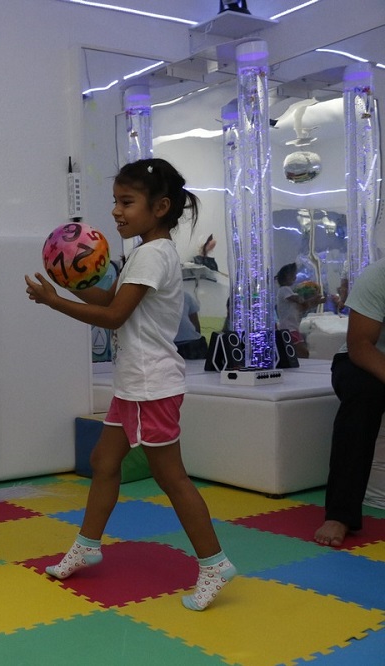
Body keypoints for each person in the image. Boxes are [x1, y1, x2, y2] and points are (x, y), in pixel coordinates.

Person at [24, 158, 235, 611]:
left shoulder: (153, 255)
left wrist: (55, 301)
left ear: (159, 207)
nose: (116, 211)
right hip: (134, 384)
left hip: (151, 385)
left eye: (127, 202)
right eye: (115, 201)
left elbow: (114, 316)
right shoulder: (144, 252)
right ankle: (88, 545)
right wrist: (69, 279)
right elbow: (109, 298)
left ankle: (214, 564)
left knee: (171, 477)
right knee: (104, 461)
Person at [314, 258, 385, 547]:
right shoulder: (379, 275)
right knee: (364, 393)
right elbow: (360, 345)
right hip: (363, 359)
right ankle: (340, 514)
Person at [275, 262, 324, 358]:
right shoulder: (284, 290)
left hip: (292, 328)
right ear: (287, 276)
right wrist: (311, 297)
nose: (295, 277)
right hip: (289, 329)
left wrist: (316, 300)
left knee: (300, 353)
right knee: (303, 353)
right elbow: (300, 301)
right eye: (293, 275)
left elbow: (302, 306)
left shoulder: (287, 291)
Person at [175, 291, 209, 360]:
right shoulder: (185, 295)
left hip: (171, 343)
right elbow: (195, 322)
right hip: (192, 342)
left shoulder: (156, 296)